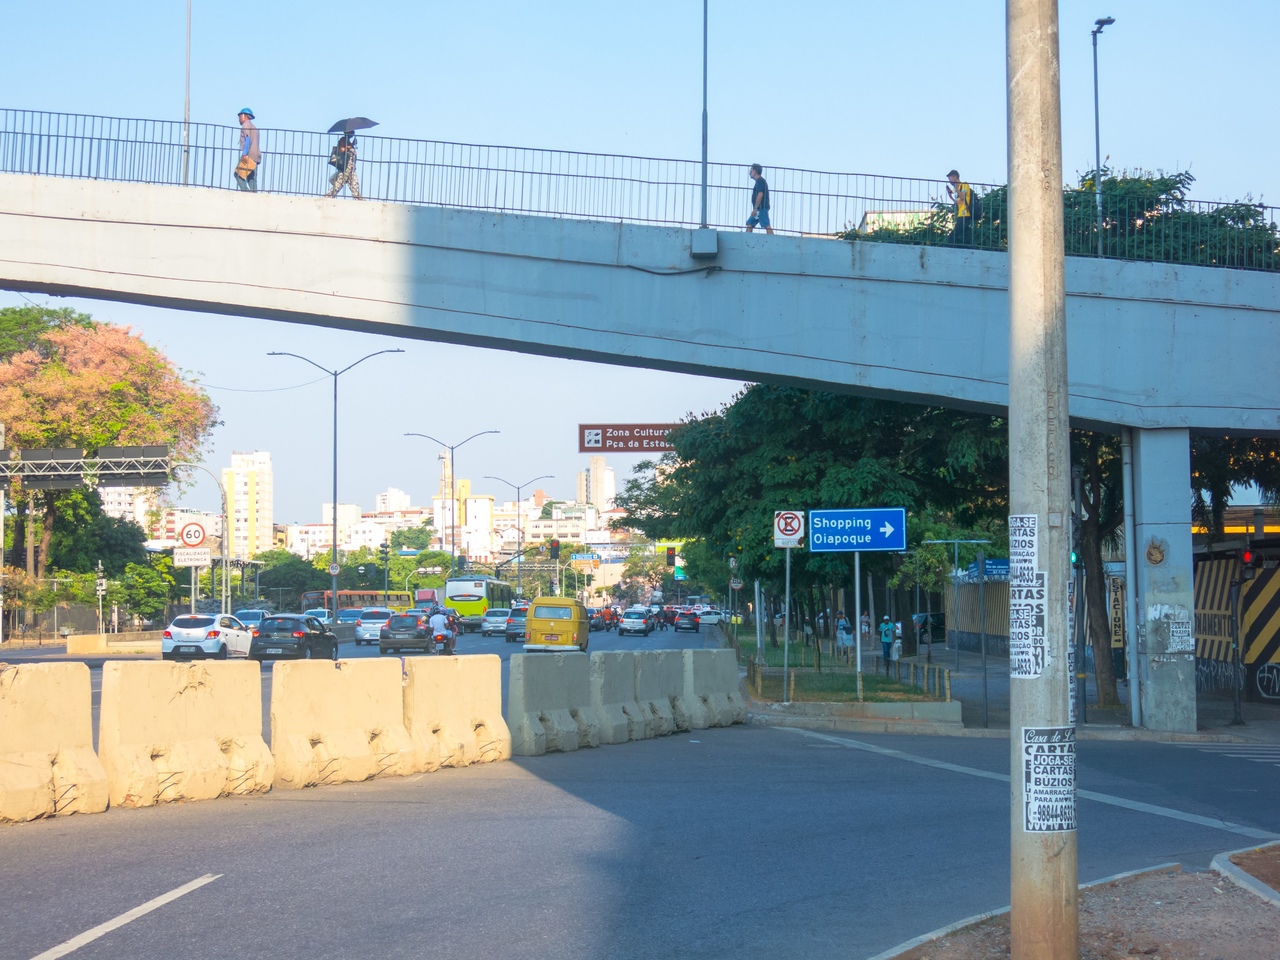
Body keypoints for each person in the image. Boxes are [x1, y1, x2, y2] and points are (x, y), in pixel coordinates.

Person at [326, 133, 363, 200]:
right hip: (345, 169)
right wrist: (351, 145)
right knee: (339, 184)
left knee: (354, 185)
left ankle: (358, 199)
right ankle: (328, 197)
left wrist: (352, 145)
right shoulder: (343, 139)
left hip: (350, 169)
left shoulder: (348, 141)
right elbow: (342, 149)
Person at [236, 108, 261, 192]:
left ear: (244, 116)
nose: (239, 119)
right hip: (256, 155)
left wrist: (244, 154)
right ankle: (254, 194)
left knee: (238, 174)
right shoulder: (255, 128)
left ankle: (246, 192)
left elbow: (248, 139)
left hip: (249, 154)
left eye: (239, 116)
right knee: (251, 177)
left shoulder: (246, 125)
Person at [946, 169, 973, 246]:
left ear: (955, 177)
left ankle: (949, 246)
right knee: (967, 235)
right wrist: (950, 195)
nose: (949, 180)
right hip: (961, 214)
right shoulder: (958, 188)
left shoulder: (964, 185)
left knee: (954, 234)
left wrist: (956, 186)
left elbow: (963, 196)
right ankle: (970, 247)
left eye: (950, 178)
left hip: (965, 214)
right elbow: (958, 202)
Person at [746, 163, 773, 234]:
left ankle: (773, 241)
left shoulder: (760, 181)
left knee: (766, 225)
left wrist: (755, 208)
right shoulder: (759, 181)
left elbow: (760, 195)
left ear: (755, 171)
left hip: (761, 209)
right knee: (749, 224)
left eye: (751, 170)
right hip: (759, 209)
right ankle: (747, 241)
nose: (750, 172)